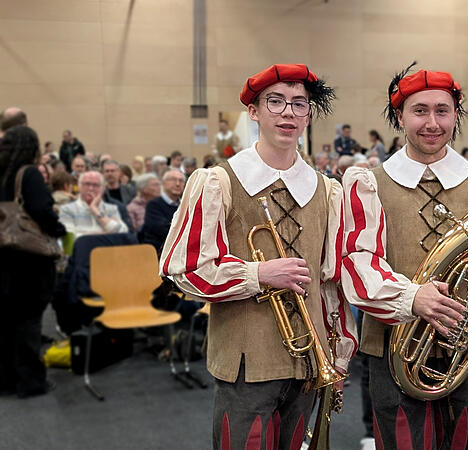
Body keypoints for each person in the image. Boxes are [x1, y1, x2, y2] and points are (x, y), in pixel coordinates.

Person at [159, 63, 357, 450]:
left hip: (310, 358)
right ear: (254, 111)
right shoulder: (218, 181)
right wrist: (258, 274)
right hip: (245, 362)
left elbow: (330, 284)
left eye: (299, 104)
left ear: (309, 115)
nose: (288, 113)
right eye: (276, 101)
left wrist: (339, 351)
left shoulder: (328, 191)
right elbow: (183, 269)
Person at [340, 63, 468, 450]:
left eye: (442, 110)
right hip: (391, 351)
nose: (432, 122)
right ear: (400, 116)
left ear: (455, 114)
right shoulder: (368, 183)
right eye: (419, 110)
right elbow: (359, 265)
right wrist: (413, 298)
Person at [0, 126, 66, 398]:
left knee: (5, 321)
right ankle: (30, 382)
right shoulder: (27, 174)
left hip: (3, 259)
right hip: (28, 259)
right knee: (28, 321)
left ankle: (5, 380)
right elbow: (41, 210)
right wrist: (58, 228)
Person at [59, 171, 128, 238]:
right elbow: (70, 238)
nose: (91, 188)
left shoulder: (112, 209)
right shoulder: (67, 209)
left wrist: (95, 210)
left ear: (103, 189)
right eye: (87, 184)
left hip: (108, 249)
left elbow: (122, 233)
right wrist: (106, 234)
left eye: (95, 185)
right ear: (79, 187)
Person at [139, 169, 184, 254]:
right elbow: (164, 231)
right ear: (163, 183)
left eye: (181, 181)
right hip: (159, 253)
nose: (178, 184)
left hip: (181, 252)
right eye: (173, 180)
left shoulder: (186, 206)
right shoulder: (153, 205)